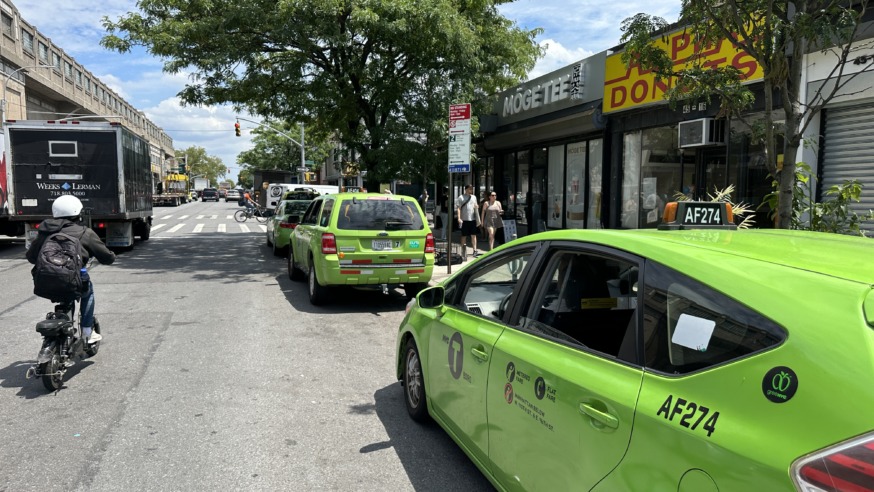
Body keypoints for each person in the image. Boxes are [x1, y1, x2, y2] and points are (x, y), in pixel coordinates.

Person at [26, 195, 116, 344]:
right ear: (78, 212)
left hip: (45, 281)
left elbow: (31, 257)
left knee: (65, 292)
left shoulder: (44, 232)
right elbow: (106, 257)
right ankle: (87, 330)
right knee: (88, 292)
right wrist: (111, 257)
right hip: (74, 280)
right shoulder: (85, 232)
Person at [455, 184, 479, 259]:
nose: (471, 190)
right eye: (470, 189)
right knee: (464, 235)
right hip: (464, 219)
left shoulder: (474, 197)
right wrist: (459, 218)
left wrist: (477, 207)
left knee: (473, 235)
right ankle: (463, 250)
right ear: (466, 189)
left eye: (472, 189)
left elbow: (476, 206)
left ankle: (475, 250)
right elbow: (458, 208)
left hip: (472, 219)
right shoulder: (461, 197)